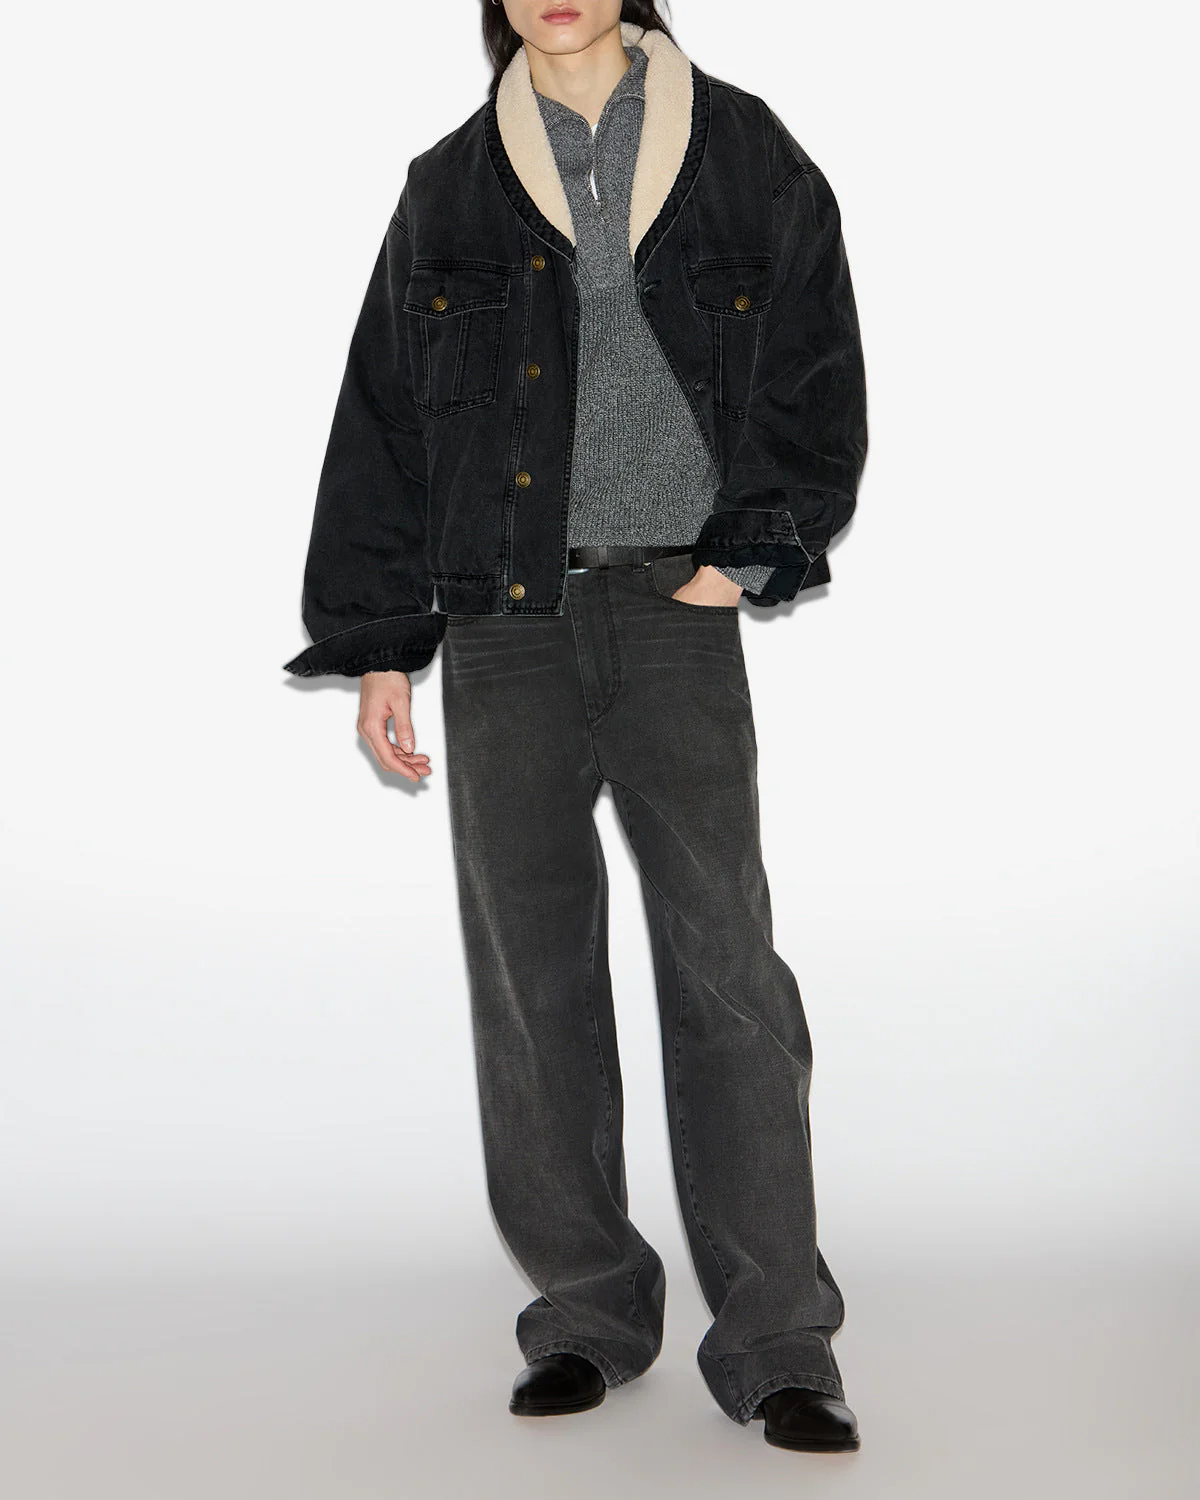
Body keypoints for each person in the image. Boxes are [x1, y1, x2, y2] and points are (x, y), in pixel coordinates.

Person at [284, 0, 867, 1454]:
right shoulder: (446, 186)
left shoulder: (740, 149)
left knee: (727, 971)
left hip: (676, 609)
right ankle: (590, 1313)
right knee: (531, 977)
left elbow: (813, 356)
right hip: (503, 619)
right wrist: (381, 644)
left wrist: (749, 550)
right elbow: (383, 417)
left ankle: (779, 1340)